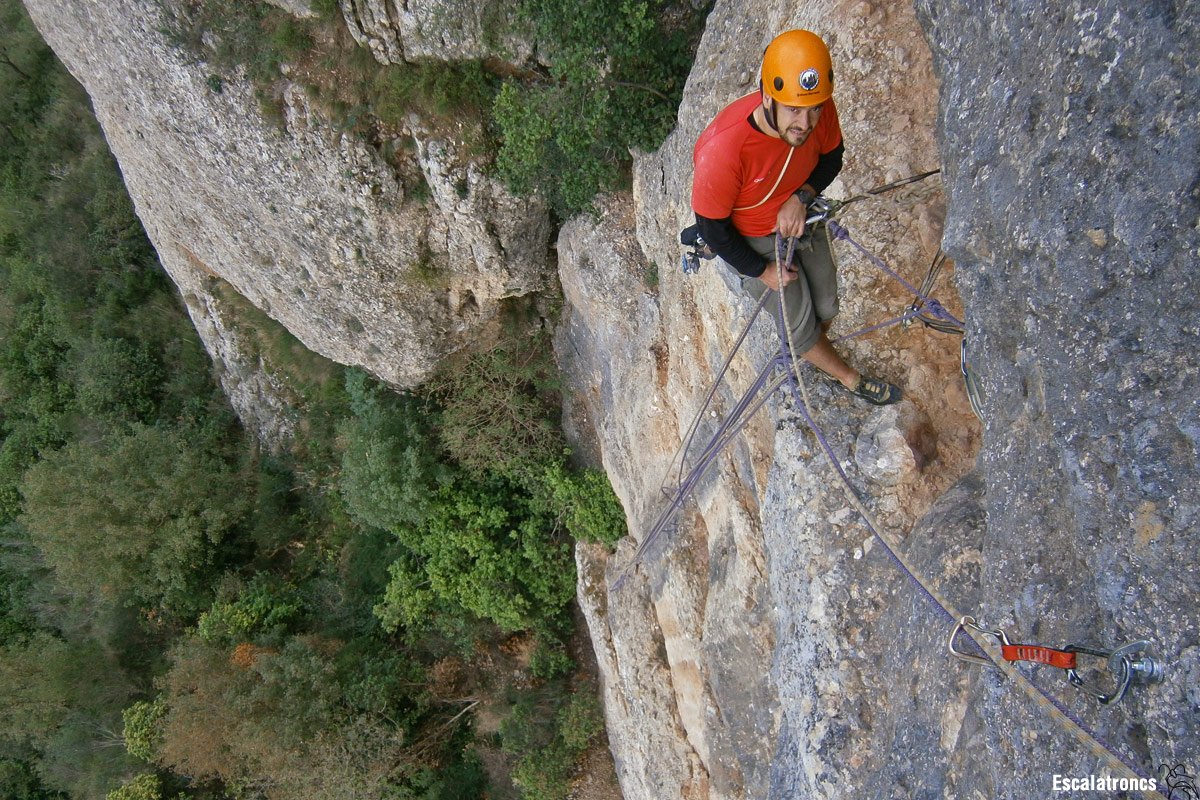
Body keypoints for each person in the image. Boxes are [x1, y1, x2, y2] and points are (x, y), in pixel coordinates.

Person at [691, 29, 900, 405]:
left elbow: (832, 157)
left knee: (827, 306)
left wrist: (801, 197)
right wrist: (761, 271)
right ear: (767, 97)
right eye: (793, 110)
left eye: (814, 109)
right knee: (799, 325)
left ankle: (811, 348)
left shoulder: (818, 108)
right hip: (754, 237)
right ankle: (849, 378)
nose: (805, 123)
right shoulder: (724, 149)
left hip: (800, 219)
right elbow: (712, 227)